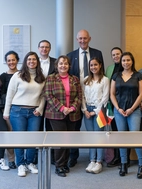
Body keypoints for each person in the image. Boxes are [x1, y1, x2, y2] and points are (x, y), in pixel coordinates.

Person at [3, 51, 45, 177]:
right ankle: (20, 164)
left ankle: (30, 163)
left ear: (37, 62)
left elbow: (44, 96)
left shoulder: (41, 77)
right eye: (29, 59)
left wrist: (40, 109)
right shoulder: (18, 75)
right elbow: (9, 94)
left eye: (34, 59)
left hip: (34, 112)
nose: (31, 61)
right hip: (18, 111)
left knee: (32, 139)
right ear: (25, 62)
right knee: (19, 139)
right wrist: (6, 112)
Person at [67, 29, 104, 168]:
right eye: (80, 38)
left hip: (95, 96)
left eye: (85, 38)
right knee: (74, 128)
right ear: (77, 40)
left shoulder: (97, 53)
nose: (83, 41)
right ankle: (73, 156)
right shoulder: (70, 55)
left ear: (90, 39)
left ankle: (98, 159)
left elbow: (101, 74)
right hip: (77, 97)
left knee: (97, 130)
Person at [43, 55, 82, 177]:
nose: (63, 66)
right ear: (57, 66)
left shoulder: (74, 79)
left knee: (68, 141)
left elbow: (79, 96)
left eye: (65, 63)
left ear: (69, 66)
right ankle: (59, 166)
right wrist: (62, 108)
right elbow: (48, 95)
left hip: (72, 114)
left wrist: (72, 108)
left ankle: (65, 163)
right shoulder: (51, 78)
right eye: (60, 63)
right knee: (60, 140)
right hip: (55, 114)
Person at [110, 52, 142, 179]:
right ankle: (124, 163)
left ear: (132, 61)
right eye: (124, 60)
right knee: (122, 139)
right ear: (121, 62)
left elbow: (141, 95)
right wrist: (118, 108)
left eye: (128, 60)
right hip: (119, 111)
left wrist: (131, 109)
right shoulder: (116, 76)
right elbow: (112, 94)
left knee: (135, 138)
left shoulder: (139, 76)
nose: (126, 62)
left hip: (134, 111)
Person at [82, 57, 109, 174]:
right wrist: (84, 110)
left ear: (100, 66)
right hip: (87, 109)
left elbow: (105, 98)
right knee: (91, 137)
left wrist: (96, 111)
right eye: (91, 65)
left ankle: (99, 162)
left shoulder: (105, 80)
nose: (93, 67)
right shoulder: (86, 80)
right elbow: (82, 96)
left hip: (100, 111)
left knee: (99, 136)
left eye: (95, 65)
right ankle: (92, 160)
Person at [105, 47, 131, 168]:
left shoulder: (127, 67)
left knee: (127, 133)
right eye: (113, 54)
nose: (116, 56)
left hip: (127, 105)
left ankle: (126, 158)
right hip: (113, 105)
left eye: (118, 54)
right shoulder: (109, 69)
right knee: (115, 132)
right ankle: (117, 156)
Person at [0, 50, 19, 169]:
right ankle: (11, 159)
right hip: (7, 108)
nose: (11, 62)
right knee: (10, 133)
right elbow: (0, 93)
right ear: (6, 62)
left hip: (21, 108)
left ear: (17, 60)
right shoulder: (3, 76)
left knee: (21, 134)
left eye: (13, 60)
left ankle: (22, 158)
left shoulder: (22, 74)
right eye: (9, 60)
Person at [37, 39, 56, 164]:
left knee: (51, 129)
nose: (44, 49)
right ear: (39, 48)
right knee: (37, 129)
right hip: (36, 100)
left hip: (51, 101)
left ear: (49, 49)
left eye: (47, 47)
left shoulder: (55, 62)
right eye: (42, 47)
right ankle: (36, 158)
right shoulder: (33, 62)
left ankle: (53, 157)